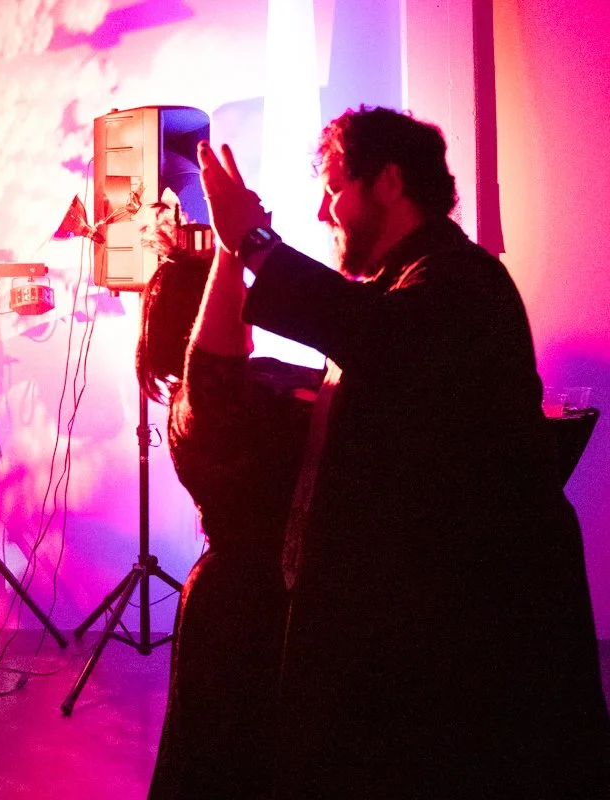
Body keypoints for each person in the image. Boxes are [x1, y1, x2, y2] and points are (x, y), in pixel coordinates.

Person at [196, 106, 609, 797]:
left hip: (476, 639)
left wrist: (254, 240)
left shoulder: (459, 279)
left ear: (388, 182)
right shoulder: (406, 285)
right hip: (438, 630)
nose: (324, 212)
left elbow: (377, 336)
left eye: (335, 188)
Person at [138, 216, 321, 799]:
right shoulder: (198, 406)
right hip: (241, 609)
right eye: (233, 295)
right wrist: (230, 245)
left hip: (280, 598)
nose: (248, 304)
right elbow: (214, 372)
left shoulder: (260, 377)